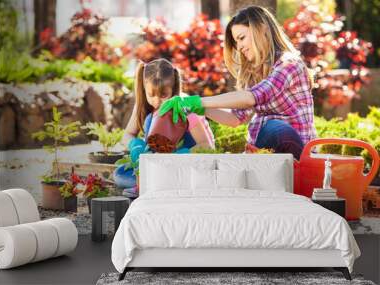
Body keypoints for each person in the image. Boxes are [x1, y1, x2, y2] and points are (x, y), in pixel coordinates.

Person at [159, 6, 316, 159]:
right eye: (236, 42)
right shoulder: (255, 74)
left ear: (261, 29)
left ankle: (254, 161)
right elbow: (235, 118)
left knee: (275, 127)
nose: (239, 47)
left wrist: (199, 100)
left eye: (241, 38)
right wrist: (200, 108)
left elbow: (251, 97)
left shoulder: (289, 64)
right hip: (267, 152)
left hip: (298, 153)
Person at [114, 58, 215, 190]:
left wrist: (180, 156)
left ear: (173, 90)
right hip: (157, 163)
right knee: (120, 174)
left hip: (186, 164)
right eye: (151, 95)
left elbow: (207, 146)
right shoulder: (144, 106)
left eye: (163, 95)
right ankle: (159, 183)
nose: (157, 101)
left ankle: (157, 184)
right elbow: (127, 134)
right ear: (144, 90)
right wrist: (136, 146)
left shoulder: (185, 107)